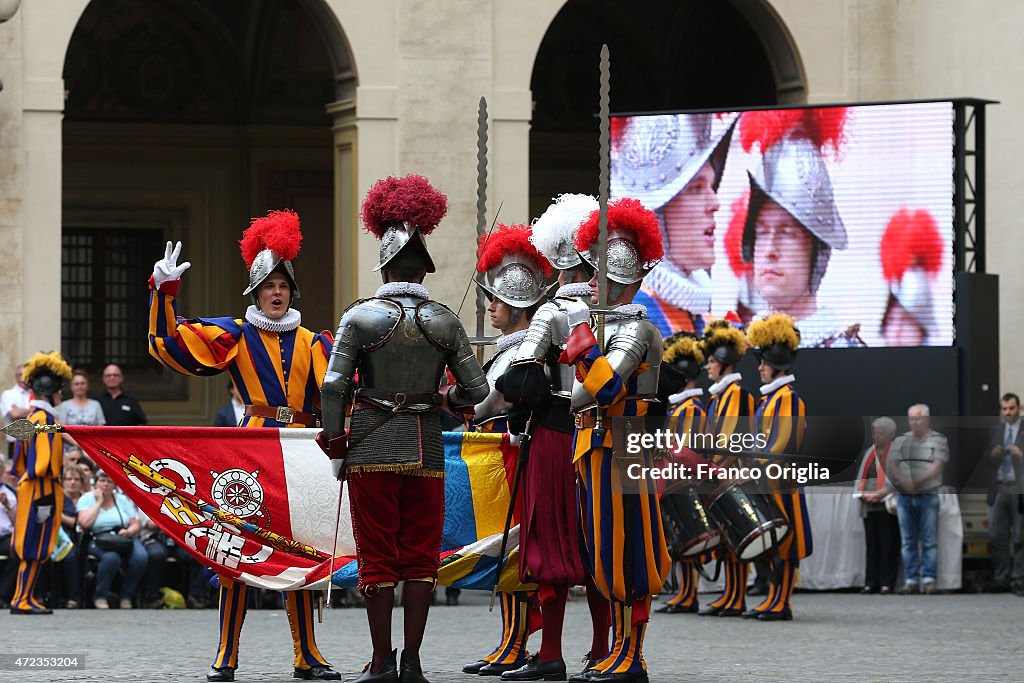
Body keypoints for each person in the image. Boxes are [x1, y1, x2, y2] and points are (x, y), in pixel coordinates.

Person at [147, 210, 339, 682]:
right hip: (251, 449)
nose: (276, 292)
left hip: (302, 447)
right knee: (234, 550)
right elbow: (168, 343)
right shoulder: (235, 334)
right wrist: (163, 292)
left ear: (292, 291)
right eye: (267, 285)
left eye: (283, 285)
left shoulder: (317, 342)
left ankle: (307, 654)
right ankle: (226, 655)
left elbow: (342, 389)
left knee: (301, 549)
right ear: (255, 293)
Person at [320, 174, 488, 683]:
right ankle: (412, 662)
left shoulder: (360, 318)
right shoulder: (443, 320)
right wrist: (445, 400)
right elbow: (476, 391)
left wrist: (336, 442)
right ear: (423, 268)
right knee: (419, 556)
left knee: (377, 555)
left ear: (386, 264)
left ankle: (381, 661)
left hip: (371, 443)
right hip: (426, 446)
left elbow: (333, 387)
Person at [498, 195, 612, 682]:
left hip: (553, 434)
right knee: (596, 541)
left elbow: (515, 381)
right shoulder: (615, 314)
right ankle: (603, 649)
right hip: (602, 437)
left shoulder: (549, 315)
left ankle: (550, 654)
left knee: (550, 543)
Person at [560, 197, 669, 683]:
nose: (589, 282)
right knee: (604, 548)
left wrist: (581, 328)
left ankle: (633, 655)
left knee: (627, 551)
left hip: (624, 445)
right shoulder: (613, 327)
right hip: (600, 447)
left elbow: (604, 387)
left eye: (596, 275)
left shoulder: (637, 329)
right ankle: (621, 648)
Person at [452, 223, 551, 679]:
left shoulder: (519, 355)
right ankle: (509, 641)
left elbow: (487, 402)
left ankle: (516, 644)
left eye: (496, 300)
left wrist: (452, 396)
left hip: (514, 460)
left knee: (514, 554)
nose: (489, 307)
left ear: (514, 305)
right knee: (505, 552)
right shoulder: (505, 351)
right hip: (496, 463)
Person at [734, 108, 864, 348]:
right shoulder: (731, 352)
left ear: (818, 252)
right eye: (762, 232)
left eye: (787, 233)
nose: (769, 250)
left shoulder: (845, 353)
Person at [612, 114, 735, 337]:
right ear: (657, 214)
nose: (715, 203)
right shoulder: (639, 316)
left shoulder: (695, 313)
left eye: (712, 186)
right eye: (697, 188)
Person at [743, 314, 812, 621]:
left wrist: (753, 462)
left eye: (763, 362)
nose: (759, 368)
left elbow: (780, 446)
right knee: (773, 544)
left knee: (785, 544)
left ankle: (782, 602)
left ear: (776, 361)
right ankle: (773, 597)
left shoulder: (788, 398)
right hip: (768, 480)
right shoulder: (772, 398)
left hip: (781, 483)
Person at [698, 319, 756, 617]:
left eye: (711, 362)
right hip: (721, 475)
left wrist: (711, 471)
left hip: (732, 477)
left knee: (737, 539)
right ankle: (731, 595)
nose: (707, 367)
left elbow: (730, 443)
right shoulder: (721, 395)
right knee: (729, 541)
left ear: (723, 364)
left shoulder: (735, 394)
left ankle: (737, 597)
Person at [9, 352, 73, 615]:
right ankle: (22, 599)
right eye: (59, 391)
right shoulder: (46, 420)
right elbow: (43, 463)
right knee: (34, 546)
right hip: (42, 488)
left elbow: (18, 463)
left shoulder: (32, 418)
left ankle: (25, 596)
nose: (61, 396)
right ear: (50, 393)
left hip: (31, 487)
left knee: (33, 546)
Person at [654, 332, 707, 615]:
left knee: (692, 535)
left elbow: (687, 447)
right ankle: (685, 593)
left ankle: (691, 593)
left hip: (686, 477)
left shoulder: (692, 409)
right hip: (674, 475)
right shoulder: (682, 406)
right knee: (681, 536)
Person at [888, 404, 948, 594]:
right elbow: (893, 465)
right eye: (911, 419)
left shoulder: (938, 440)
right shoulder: (901, 440)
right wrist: (905, 482)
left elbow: (937, 467)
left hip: (928, 495)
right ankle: (911, 580)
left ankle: (929, 579)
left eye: (918, 419)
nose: (914, 423)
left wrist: (916, 481)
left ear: (927, 420)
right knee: (908, 541)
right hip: (905, 497)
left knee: (928, 540)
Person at [76, 470, 147, 609]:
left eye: (109, 481)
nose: (105, 484)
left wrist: (129, 531)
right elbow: (85, 523)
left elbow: (136, 523)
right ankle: (100, 596)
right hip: (97, 538)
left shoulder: (122, 499)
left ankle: (126, 596)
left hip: (122, 537)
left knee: (141, 557)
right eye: (102, 481)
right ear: (95, 483)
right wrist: (99, 502)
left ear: (115, 485)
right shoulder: (86, 499)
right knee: (111, 558)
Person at [879, 209, 945, 346]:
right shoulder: (896, 285)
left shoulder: (918, 284)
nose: (895, 332)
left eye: (905, 321)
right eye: (891, 321)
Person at [853, 417, 901, 595]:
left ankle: (887, 582)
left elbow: (900, 478)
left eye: (880, 433)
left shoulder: (897, 452)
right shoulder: (869, 453)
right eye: (874, 432)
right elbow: (860, 478)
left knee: (888, 544)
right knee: (872, 545)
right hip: (869, 505)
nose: (876, 436)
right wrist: (863, 493)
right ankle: (870, 582)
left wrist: (883, 493)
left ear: (890, 435)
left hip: (888, 505)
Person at [983, 393, 1024, 594]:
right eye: (1005, 409)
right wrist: (993, 455)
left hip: (1019, 489)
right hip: (998, 488)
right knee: (996, 535)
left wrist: (1020, 455)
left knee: (1020, 536)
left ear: (1020, 408)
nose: (1008, 412)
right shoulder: (995, 430)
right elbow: (984, 461)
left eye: (1012, 408)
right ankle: (1001, 578)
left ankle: (1019, 578)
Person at [137, 510, 210, 609]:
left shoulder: (179, 499)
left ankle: (196, 597)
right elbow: (151, 524)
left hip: (178, 538)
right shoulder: (148, 498)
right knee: (156, 555)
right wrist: (176, 519)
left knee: (197, 556)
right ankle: (151, 598)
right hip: (155, 538)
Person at [59, 463, 89, 608]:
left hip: (86, 536)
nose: (72, 482)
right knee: (71, 555)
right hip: (63, 537)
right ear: (63, 481)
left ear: (82, 481)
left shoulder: (87, 498)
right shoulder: (58, 497)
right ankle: (73, 597)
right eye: (69, 479)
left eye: (76, 479)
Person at [57, 369, 106, 454]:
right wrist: (79, 444)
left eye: (83, 383)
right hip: (70, 451)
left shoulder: (96, 405)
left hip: (93, 448)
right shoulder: (65, 405)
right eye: (76, 384)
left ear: (87, 386)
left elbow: (101, 428)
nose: (80, 386)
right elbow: (61, 430)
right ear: (71, 387)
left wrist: (90, 444)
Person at [1, 364, 32, 458]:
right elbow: (14, 414)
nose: (23, 378)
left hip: (33, 443)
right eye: (20, 375)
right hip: (15, 443)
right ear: (16, 377)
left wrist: (20, 411)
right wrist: (33, 411)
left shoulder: (35, 393)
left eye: (25, 374)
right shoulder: (8, 394)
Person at [0, 458, 18, 608]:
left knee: (20, 550)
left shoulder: (10, 492)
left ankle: (3, 594)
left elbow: (17, 521)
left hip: (6, 537)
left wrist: (7, 505)